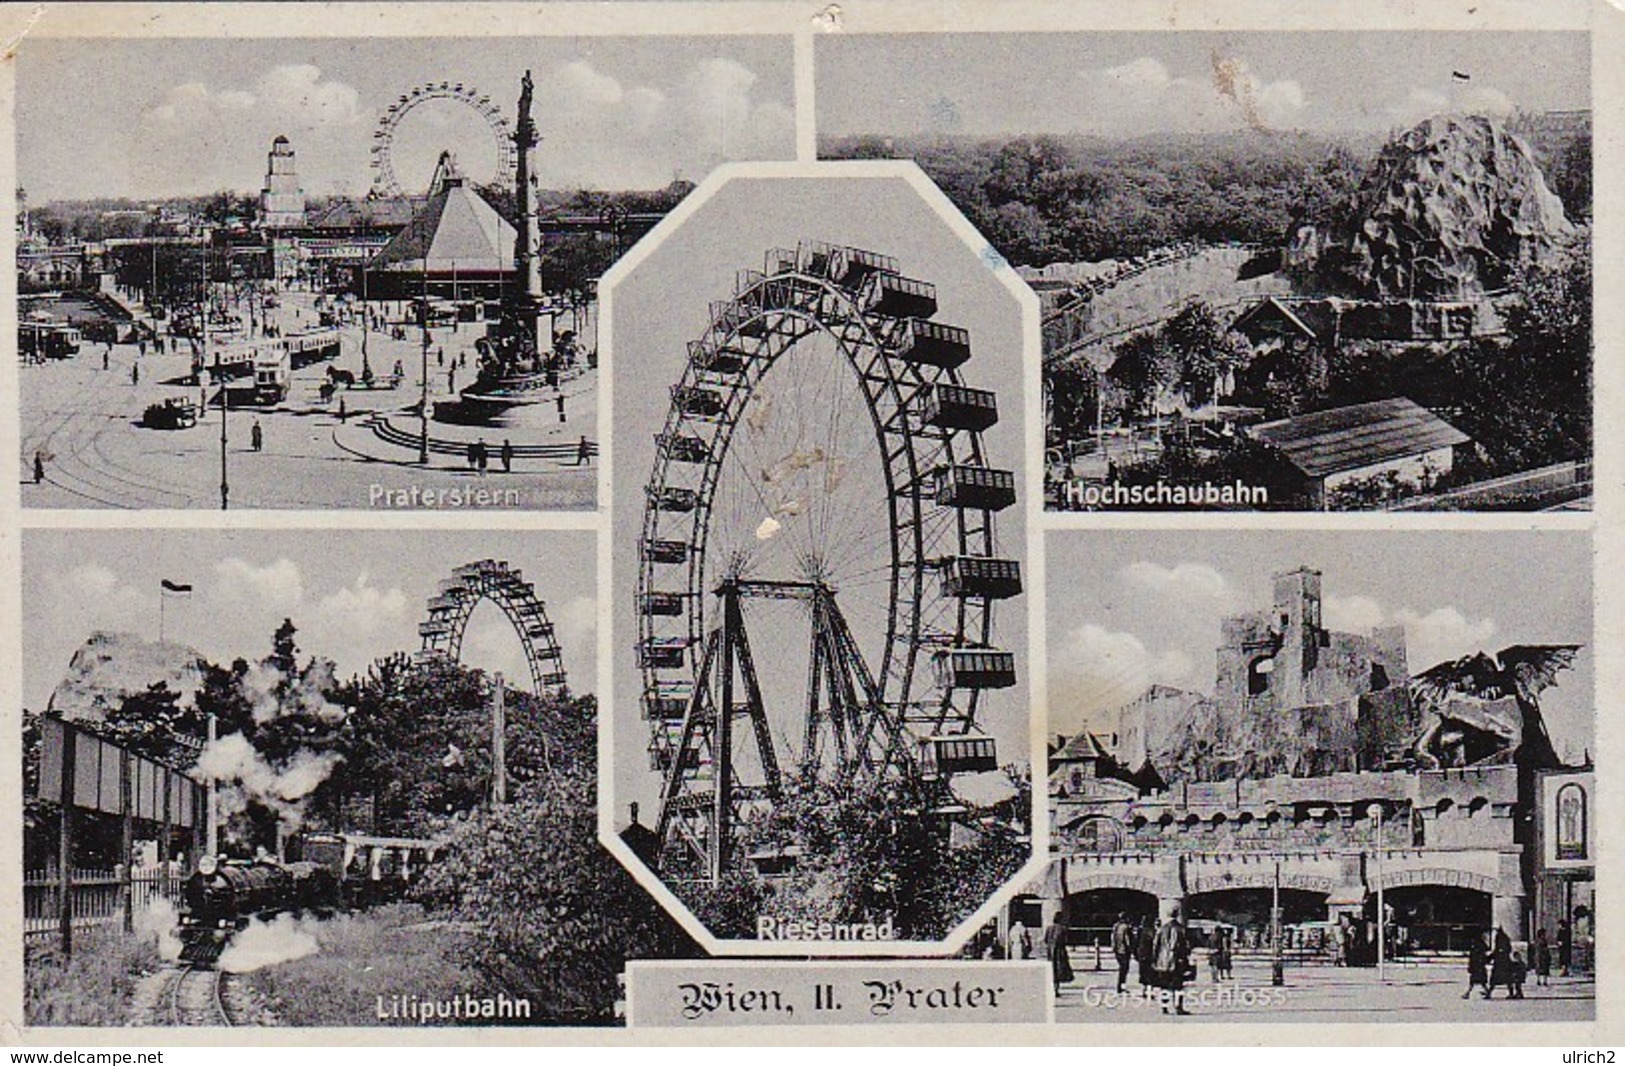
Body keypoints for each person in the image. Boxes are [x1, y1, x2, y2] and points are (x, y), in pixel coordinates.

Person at [1152, 903, 1192, 1015]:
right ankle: (1178, 1007)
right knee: (1178, 985)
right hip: (1176, 961)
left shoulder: (1161, 929)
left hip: (1162, 961)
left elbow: (1156, 946)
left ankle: (1164, 1007)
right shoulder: (1180, 929)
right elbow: (1184, 947)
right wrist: (1186, 960)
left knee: (1164, 985)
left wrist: (1155, 959)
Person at [1042, 913, 1073, 997]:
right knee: (1059, 970)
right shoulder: (1062, 929)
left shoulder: (1049, 928)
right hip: (1060, 952)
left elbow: (1045, 940)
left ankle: (1052, 988)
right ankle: (1056, 989)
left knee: (1052, 970)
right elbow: (1065, 941)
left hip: (1050, 952)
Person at [1110, 912, 1134, 992]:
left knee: (1122, 968)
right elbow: (1127, 940)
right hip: (1124, 950)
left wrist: (1113, 947)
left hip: (1117, 950)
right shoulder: (1126, 927)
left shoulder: (1115, 926)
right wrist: (1131, 948)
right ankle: (1121, 986)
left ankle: (1120, 986)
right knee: (1124, 969)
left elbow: (1112, 937)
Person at [1487, 925, 1512, 998]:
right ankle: (1511, 993)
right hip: (1504, 962)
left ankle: (1489, 993)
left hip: (1500, 963)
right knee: (1507, 979)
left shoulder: (1500, 939)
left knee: (1495, 979)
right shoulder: (1505, 938)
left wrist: (1490, 957)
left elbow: (1497, 950)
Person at [1463, 929, 1489, 999]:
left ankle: (1467, 993)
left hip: (1477, 966)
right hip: (1478, 966)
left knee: (1475, 981)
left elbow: (1474, 957)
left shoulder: (1476, 946)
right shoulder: (1480, 944)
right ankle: (1487, 992)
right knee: (1479, 981)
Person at [1135, 915, 1156, 990]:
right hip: (1150, 954)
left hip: (1141, 953)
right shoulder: (1152, 931)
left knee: (1143, 972)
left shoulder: (1140, 931)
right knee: (1150, 973)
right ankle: (1150, 989)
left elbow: (1136, 943)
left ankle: (1144, 989)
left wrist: (1136, 954)